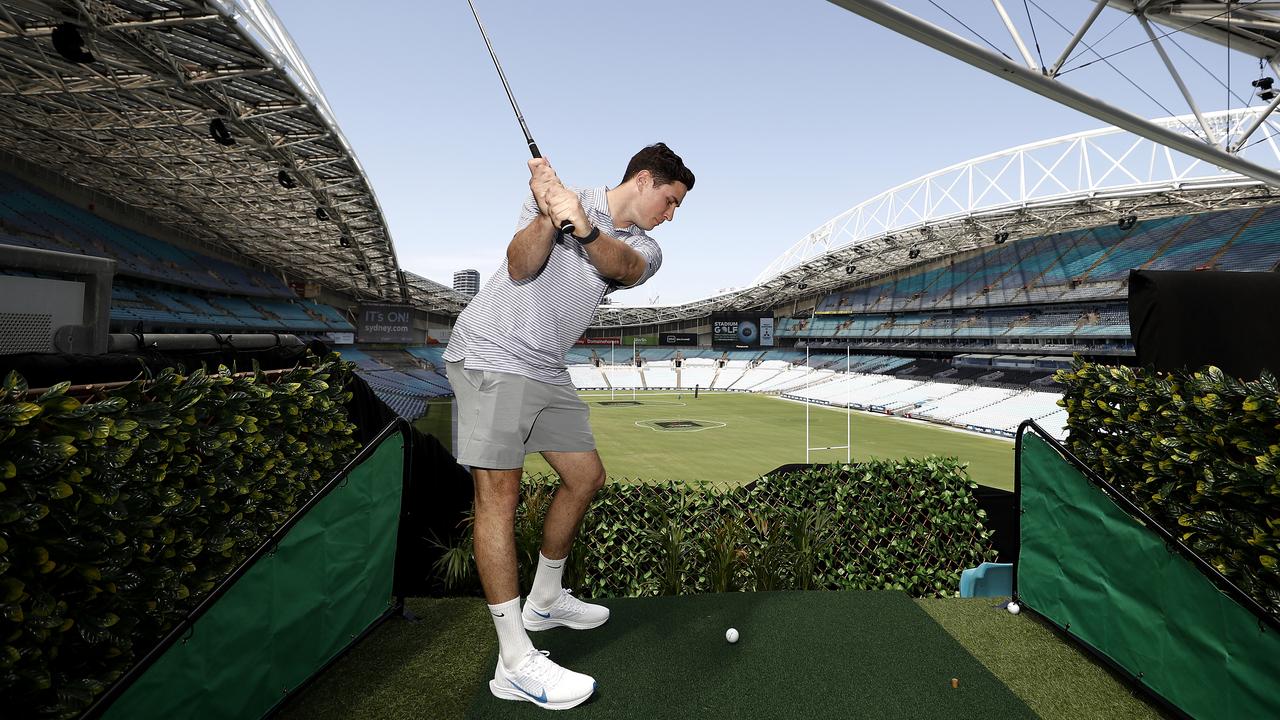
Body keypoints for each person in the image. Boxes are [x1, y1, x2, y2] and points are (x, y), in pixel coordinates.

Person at [443, 143, 694, 710]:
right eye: (671, 201)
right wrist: (546, 213)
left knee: (585, 477)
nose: (671, 215)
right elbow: (519, 266)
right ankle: (514, 661)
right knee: (498, 496)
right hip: (492, 352)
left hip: (545, 366)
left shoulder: (645, 247)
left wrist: (581, 228)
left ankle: (546, 600)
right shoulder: (562, 200)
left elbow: (622, 267)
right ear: (646, 179)